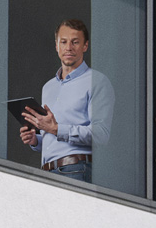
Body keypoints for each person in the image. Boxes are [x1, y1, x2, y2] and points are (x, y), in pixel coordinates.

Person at [12, 20, 112, 177]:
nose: (69, 48)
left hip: (76, 169)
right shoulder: (48, 87)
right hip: (46, 171)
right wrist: (36, 140)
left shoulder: (96, 81)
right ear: (56, 46)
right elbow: (54, 136)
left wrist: (56, 129)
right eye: (63, 42)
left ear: (85, 46)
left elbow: (101, 135)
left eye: (75, 42)